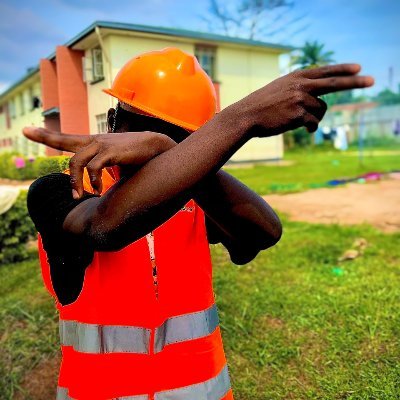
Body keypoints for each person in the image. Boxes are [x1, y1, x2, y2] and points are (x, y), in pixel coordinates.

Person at [25, 47, 374, 400]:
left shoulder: (194, 197)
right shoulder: (57, 191)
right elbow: (104, 227)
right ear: (114, 122)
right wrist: (242, 117)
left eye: (185, 145)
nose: (169, 155)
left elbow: (261, 235)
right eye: (148, 130)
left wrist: (168, 149)